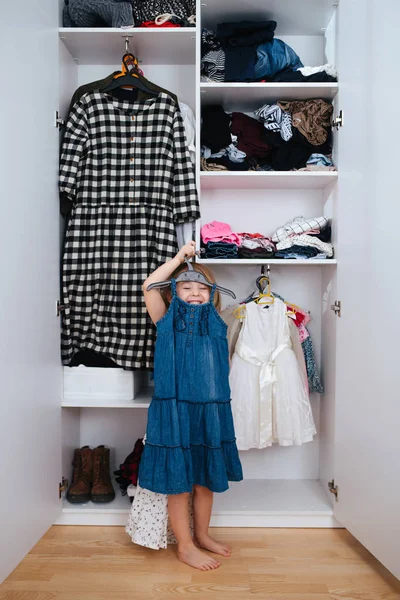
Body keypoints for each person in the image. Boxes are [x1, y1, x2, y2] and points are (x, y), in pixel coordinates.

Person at [138, 241, 243, 571]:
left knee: (205, 480)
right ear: (173, 291)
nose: (195, 293)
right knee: (179, 483)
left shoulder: (219, 320)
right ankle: (185, 545)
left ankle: (203, 535)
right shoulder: (164, 318)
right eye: (187, 287)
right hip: (175, 412)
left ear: (213, 294)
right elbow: (148, 285)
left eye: (202, 288)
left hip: (209, 411)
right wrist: (180, 259)